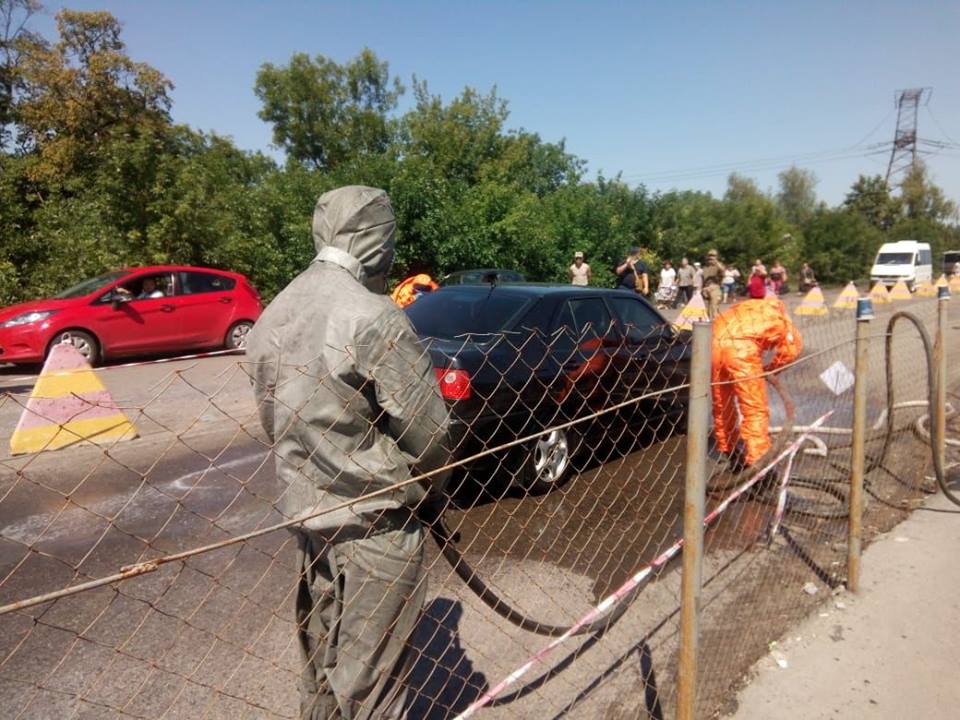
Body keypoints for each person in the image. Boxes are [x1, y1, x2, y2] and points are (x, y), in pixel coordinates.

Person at [247, 186, 450, 720]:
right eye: (390, 238)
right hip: (377, 523)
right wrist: (432, 490)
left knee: (319, 664)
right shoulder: (372, 314)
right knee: (369, 684)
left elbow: (273, 420)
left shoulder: (275, 312)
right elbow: (428, 432)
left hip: (310, 521)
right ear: (374, 240)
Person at [712, 281, 803, 472]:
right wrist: (771, 369)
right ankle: (758, 465)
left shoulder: (739, 308)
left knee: (722, 404)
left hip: (713, 348)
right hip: (741, 353)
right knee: (754, 409)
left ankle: (730, 451)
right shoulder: (777, 314)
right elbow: (792, 349)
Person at [700, 249, 725, 320]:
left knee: (714, 309)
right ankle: (706, 323)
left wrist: (716, 262)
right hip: (705, 289)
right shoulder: (705, 267)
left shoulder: (718, 266)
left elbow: (723, 271)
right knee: (705, 310)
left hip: (715, 288)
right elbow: (703, 279)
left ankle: (715, 323)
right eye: (709, 256)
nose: (711, 258)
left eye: (713, 256)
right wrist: (701, 289)